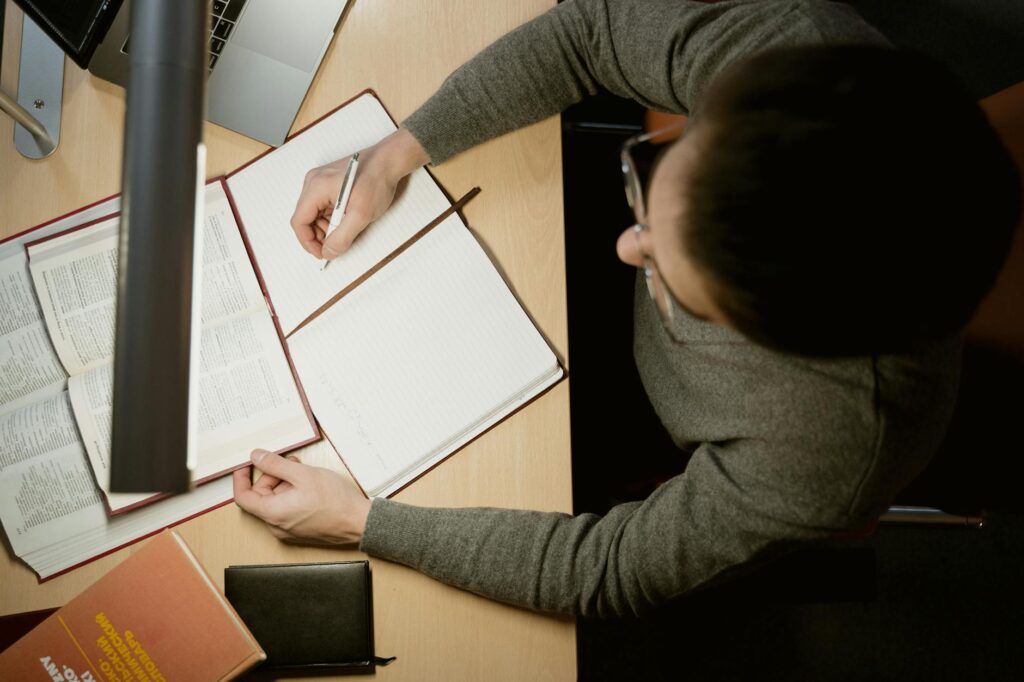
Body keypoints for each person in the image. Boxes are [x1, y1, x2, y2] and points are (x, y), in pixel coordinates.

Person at [233, 0, 1020, 618]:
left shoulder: (826, 452)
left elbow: (608, 569)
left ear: (774, 340)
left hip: (639, 432)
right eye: (656, 177)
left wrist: (366, 526)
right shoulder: (793, 55)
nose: (625, 248)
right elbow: (591, 33)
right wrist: (398, 150)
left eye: (675, 278)